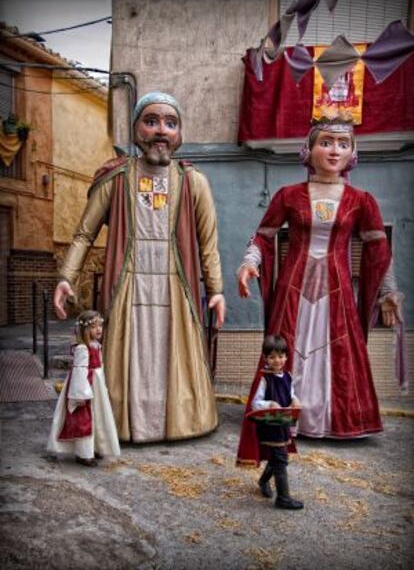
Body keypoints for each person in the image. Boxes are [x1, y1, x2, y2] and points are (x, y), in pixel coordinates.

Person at [53, 92, 225, 443]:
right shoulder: (115, 179)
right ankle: (123, 423)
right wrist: (66, 278)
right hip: (127, 284)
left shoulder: (195, 182)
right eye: (151, 121)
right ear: (135, 129)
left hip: (176, 286)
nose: (161, 130)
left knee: (169, 354)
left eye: (170, 123)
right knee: (128, 355)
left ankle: (179, 423)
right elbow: (85, 233)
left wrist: (217, 290)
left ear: (179, 133)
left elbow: (208, 243)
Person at [237, 114, 405, 453]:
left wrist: (388, 291)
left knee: (338, 350)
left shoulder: (362, 200)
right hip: (292, 288)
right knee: (287, 347)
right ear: (309, 149)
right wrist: (249, 262)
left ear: (352, 154)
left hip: (338, 292)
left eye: (343, 144)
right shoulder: (288, 195)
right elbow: (263, 236)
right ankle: (284, 416)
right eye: (326, 142)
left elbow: (379, 251)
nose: (334, 151)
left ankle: (333, 419)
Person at [47, 310, 121, 466]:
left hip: (96, 387)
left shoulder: (96, 346)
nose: (99, 329)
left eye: (100, 325)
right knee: (84, 420)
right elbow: (80, 371)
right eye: (94, 326)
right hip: (85, 388)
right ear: (85, 330)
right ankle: (83, 454)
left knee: (97, 417)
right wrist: (80, 395)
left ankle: (94, 448)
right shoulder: (83, 348)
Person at [248, 335, 303, 510]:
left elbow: (290, 393)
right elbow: (255, 402)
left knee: (277, 457)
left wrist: (295, 399)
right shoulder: (264, 378)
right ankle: (284, 498)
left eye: (280, 356)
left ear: (286, 357)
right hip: (270, 426)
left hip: (283, 424)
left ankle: (263, 481)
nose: (277, 360)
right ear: (265, 358)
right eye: (272, 357)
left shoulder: (287, 375)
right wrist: (269, 403)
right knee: (280, 459)